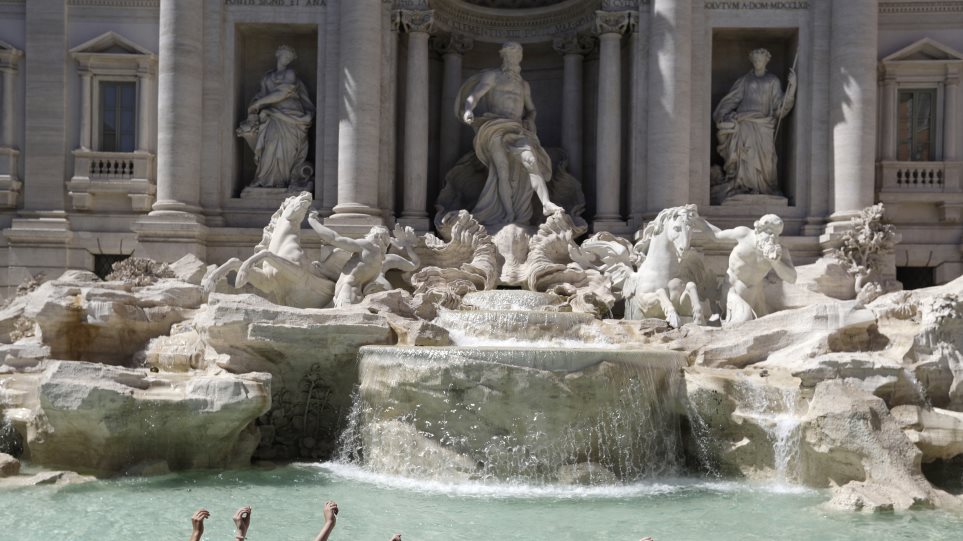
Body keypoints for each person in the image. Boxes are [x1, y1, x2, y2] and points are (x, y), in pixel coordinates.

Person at [456, 41, 563, 226]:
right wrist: (468, 110)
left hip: (516, 127)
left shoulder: (523, 84)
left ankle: (546, 204)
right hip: (495, 126)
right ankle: (508, 214)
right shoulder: (493, 76)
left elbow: (531, 109)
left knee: (531, 160)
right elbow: (474, 96)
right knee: (502, 170)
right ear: (504, 56)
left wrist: (530, 119)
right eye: (512, 55)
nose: (515, 59)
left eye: (518, 56)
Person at [712, 48, 796, 198]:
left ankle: (765, 188)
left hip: (764, 124)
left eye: (760, 59)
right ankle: (743, 186)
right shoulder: (745, 80)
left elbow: (780, 106)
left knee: (767, 161)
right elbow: (732, 99)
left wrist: (792, 88)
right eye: (755, 60)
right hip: (744, 122)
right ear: (752, 61)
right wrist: (722, 115)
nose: (758, 62)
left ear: (766, 61)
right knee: (744, 157)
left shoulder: (773, 81)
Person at [237, 45, 315, 188]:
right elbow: (261, 94)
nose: (287, 59)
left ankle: (282, 182)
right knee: (270, 146)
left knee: (286, 150)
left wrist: (260, 103)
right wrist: (254, 106)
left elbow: (283, 93)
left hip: (291, 117)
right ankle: (265, 180)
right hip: (271, 116)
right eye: (286, 55)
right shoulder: (267, 76)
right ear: (278, 55)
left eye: (290, 57)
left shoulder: (290, 73)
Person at [307, 212, 420, 307]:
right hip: (355, 295)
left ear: (377, 236)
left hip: (347, 293)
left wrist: (313, 221)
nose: (367, 237)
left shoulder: (367, 246)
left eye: (369, 234)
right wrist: (408, 247)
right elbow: (414, 265)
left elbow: (334, 238)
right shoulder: (381, 261)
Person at [705, 214, 796, 324]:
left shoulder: (779, 252)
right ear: (759, 229)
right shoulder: (744, 234)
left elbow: (792, 278)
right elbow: (717, 235)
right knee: (743, 317)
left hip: (753, 297)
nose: (772, 237)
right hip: (731, 291)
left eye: (776, 234)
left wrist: (775, 262)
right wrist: (696, 220)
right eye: (769, 232)